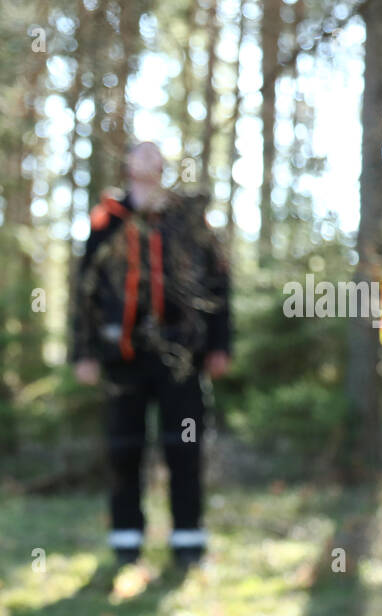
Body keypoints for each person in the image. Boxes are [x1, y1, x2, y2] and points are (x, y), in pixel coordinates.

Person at [70, 142, 232, 569]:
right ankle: (126, 542)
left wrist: (219, 344)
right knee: (124, 448)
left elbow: (218, 281)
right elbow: (84, 288)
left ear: (162, 167)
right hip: (122, 354)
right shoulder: (107, 219)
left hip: (182, 355)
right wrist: (82, 351)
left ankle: (188, 541)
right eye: (137, 152)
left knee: (185, 446)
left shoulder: (186, 217)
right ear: (126, 164)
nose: (145, 159)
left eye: (153, 154)